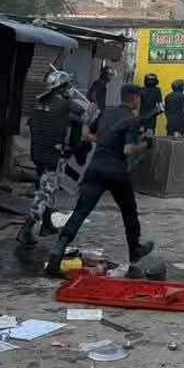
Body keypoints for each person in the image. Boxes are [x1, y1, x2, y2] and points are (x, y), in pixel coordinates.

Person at [46, 83, 154, 276]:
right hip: (116, 172)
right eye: (139, 97)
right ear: (134, 98)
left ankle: (58, 248)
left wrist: (104, 140)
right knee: (129, 212)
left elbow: (87, 135)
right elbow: (127, 150)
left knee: (80, 211)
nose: (140, 100)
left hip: (95, 169)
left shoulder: (106, 112)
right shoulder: (131, 119)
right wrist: (145, 144)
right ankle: (135, 251)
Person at [19, 70, 91, 247]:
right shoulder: (66, 104)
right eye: (68, 86)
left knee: (45, 187)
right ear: (63, 87)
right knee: (45, 192)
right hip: (52, 156)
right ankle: (26, 230)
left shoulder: (38, 101)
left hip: (37, 153)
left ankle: (47, 224)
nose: (70, 89)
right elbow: (84, 114)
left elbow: (33, 124)